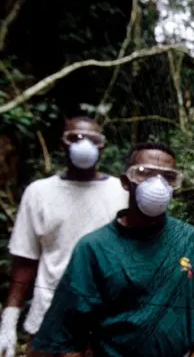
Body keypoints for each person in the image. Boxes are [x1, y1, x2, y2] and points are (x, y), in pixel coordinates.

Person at [27, 142, 194, 357]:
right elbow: (70, 332)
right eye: (144, 173)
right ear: (125, 182)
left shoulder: (188, 238)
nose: (157, 184)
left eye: (167, 176)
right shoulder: (95, 248)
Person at [0, 116, 128, 357]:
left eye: (93, 139)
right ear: (62, 144)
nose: (84, 144)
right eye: (75, 138)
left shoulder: (120, 192)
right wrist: (9, 317)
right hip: (48, 317)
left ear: (102, 147)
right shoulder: (39, 192)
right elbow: (25, 260)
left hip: (104, 321)